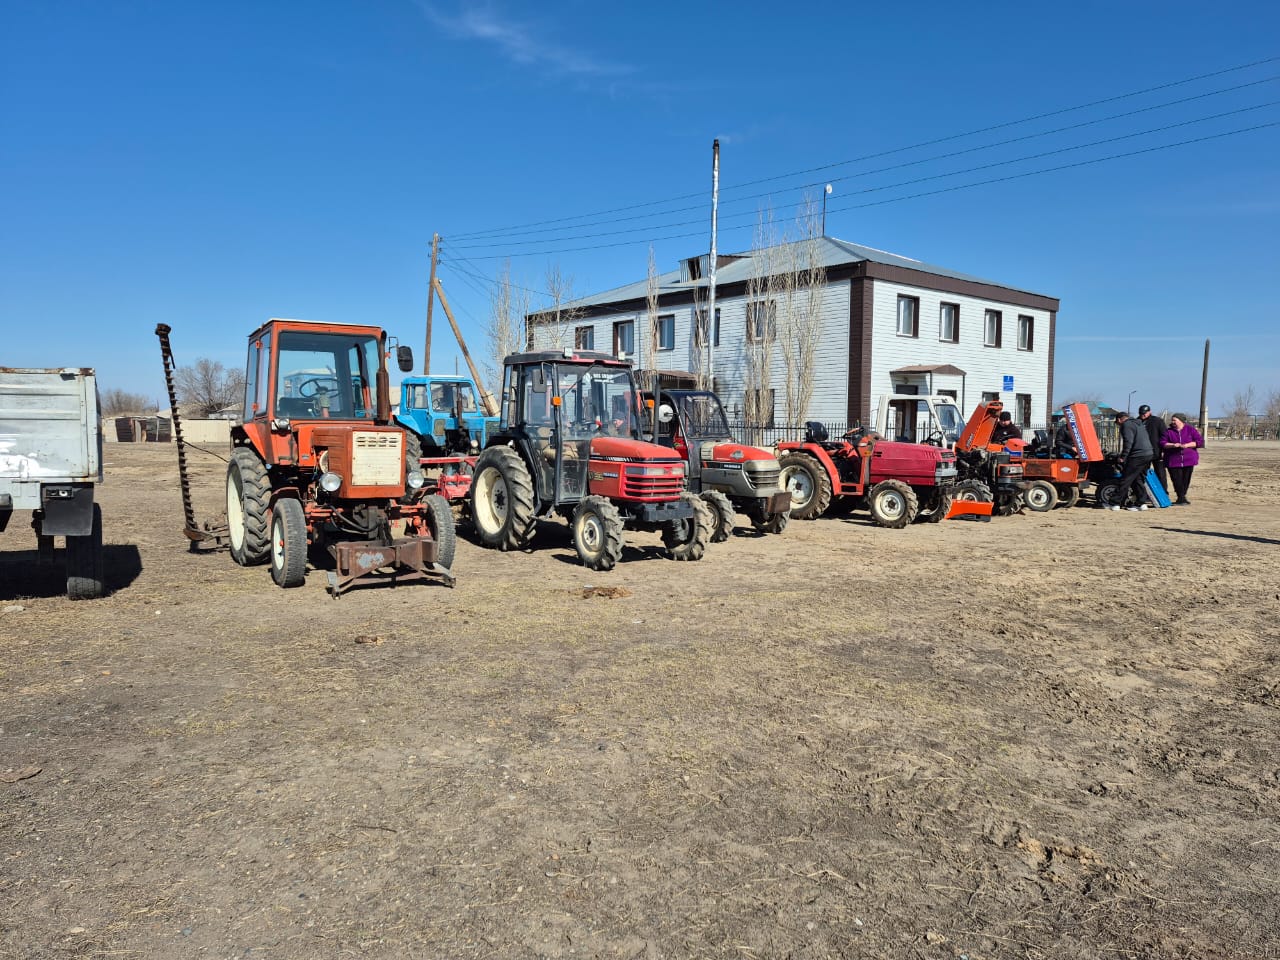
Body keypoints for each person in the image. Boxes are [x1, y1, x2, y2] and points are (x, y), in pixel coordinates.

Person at [1111, 410, 1153, 511]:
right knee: (1137, 478)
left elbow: (1128, 442)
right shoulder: (1138, 424)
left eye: (1117, 424)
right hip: (1148, 454)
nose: (1118, 426)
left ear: (1119, 420)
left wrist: (1123, 457)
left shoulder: (1126, 425)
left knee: (1126, 478)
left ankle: (1116, 503)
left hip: (1137, 455)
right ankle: (1141, 503)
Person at [1161, 413, 1204, 505]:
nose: (1172, 422)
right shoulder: (1168, 431)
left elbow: (1199, 442)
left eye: (1174, 420)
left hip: (1189, 459)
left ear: (1181, 421)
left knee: (1185, 479)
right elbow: (1162, 443)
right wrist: (1173, 445)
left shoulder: (1191, 430)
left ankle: (1182, 497)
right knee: (1176, 479)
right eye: (1172, 420)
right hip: (1173, 460)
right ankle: (1181, 497)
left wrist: (1187, 445)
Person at [1138, 404, 1169, 495]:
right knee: (1142, 473)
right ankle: (1144, 493)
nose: (1143, 415)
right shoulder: (1137, 421)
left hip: (1156, 451)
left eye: (1144, 413)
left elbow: (1164, 436)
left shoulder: (1157, 421)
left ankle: (1163, 492)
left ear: (1149, 412)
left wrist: (1163, 450)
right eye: (1141, 413)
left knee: (1160, 473)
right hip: (1143, 452)